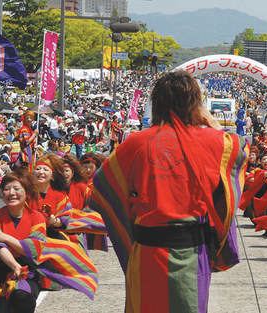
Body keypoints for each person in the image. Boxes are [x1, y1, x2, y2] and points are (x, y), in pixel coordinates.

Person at [89, 71, 249, 313]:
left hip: (147, 251)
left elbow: (102, 185)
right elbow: (240, 152)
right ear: (195, 103)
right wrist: (211, 121)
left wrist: (131, 217)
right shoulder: (215, 141)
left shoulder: (137, 142)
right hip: (191, 252)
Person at [0, 171, 98, 312]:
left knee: (22, 297)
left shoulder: (37, 217)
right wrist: (16, 266)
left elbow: (33, 249)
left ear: (27, 192)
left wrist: (6, 237)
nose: (11, 193)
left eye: (16, 189)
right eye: (6, 189)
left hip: (30, 271)